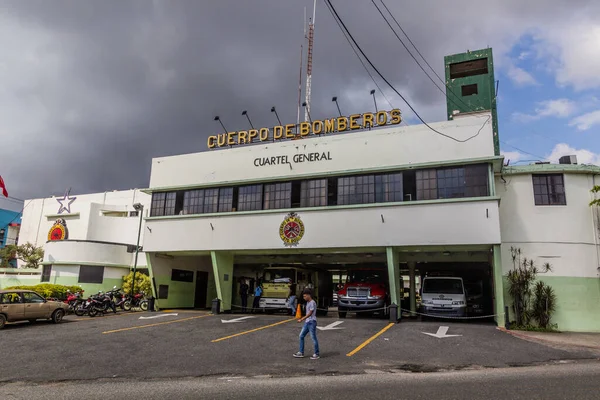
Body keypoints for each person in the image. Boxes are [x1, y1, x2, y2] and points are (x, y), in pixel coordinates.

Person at [293, 289, 319, 360]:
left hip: (311, 322)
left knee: (313, 338)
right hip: (307, 322)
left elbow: (310, 313)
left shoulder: (312, 302)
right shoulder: (308, 302)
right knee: (301, 336)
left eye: (305, 296)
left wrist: (302, 319)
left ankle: (316, 353)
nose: (304, 298)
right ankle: (301, 352)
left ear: (308, 295)